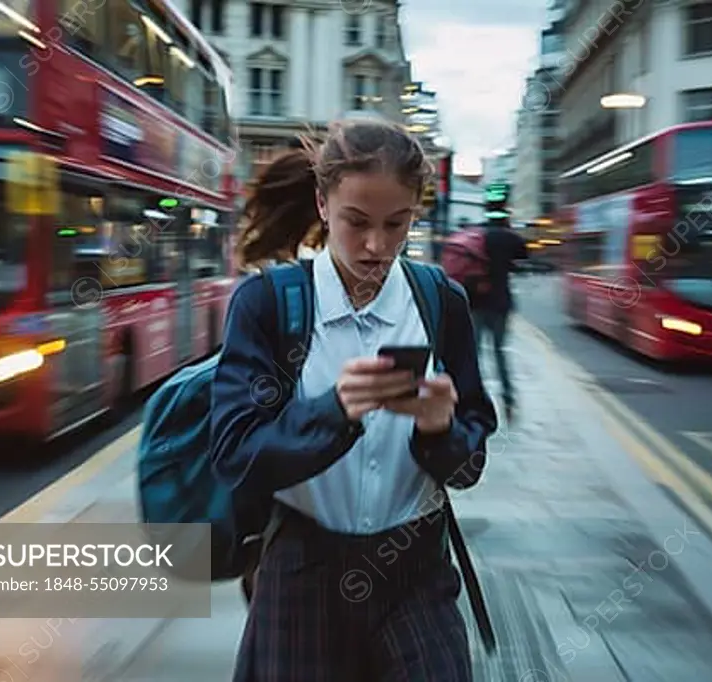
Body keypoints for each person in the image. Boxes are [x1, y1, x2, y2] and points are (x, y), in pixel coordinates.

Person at [210, 118, 499, 682]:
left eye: (398, 224)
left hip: (415, 570)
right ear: (322, 204)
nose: (377, 246)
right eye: (357, 222)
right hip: (302, 571)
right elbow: (234, 453)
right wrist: (331, 412)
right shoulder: (268, 304)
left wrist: (440, 431)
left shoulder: (442, 302)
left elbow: (469, 466)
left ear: (417, 210)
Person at [467, 210, 528, 424]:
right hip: (500, 304)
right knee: (499, 353)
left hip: (475, 302)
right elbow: (524, 256)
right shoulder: (509, 237)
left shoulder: (477, 236)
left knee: (474, 354)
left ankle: (470, 399)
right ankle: (508, 401)